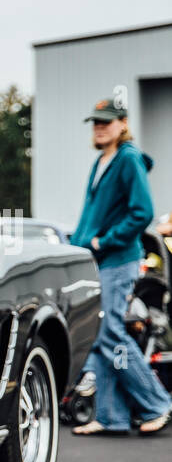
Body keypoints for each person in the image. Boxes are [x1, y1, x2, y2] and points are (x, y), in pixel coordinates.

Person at [71, 97, 170, 436]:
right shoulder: (102, 161)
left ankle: (157, 403)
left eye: (107, 121)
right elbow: (92, 215)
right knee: (102, 335)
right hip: (99, 261)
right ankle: (111, 416)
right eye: (96, 122)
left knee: (111, 333)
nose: (100, 127)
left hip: (119, 259)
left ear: (123, 124)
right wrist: (79, 244)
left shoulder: (128, 159)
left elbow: (142, 212)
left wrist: (105, 240)